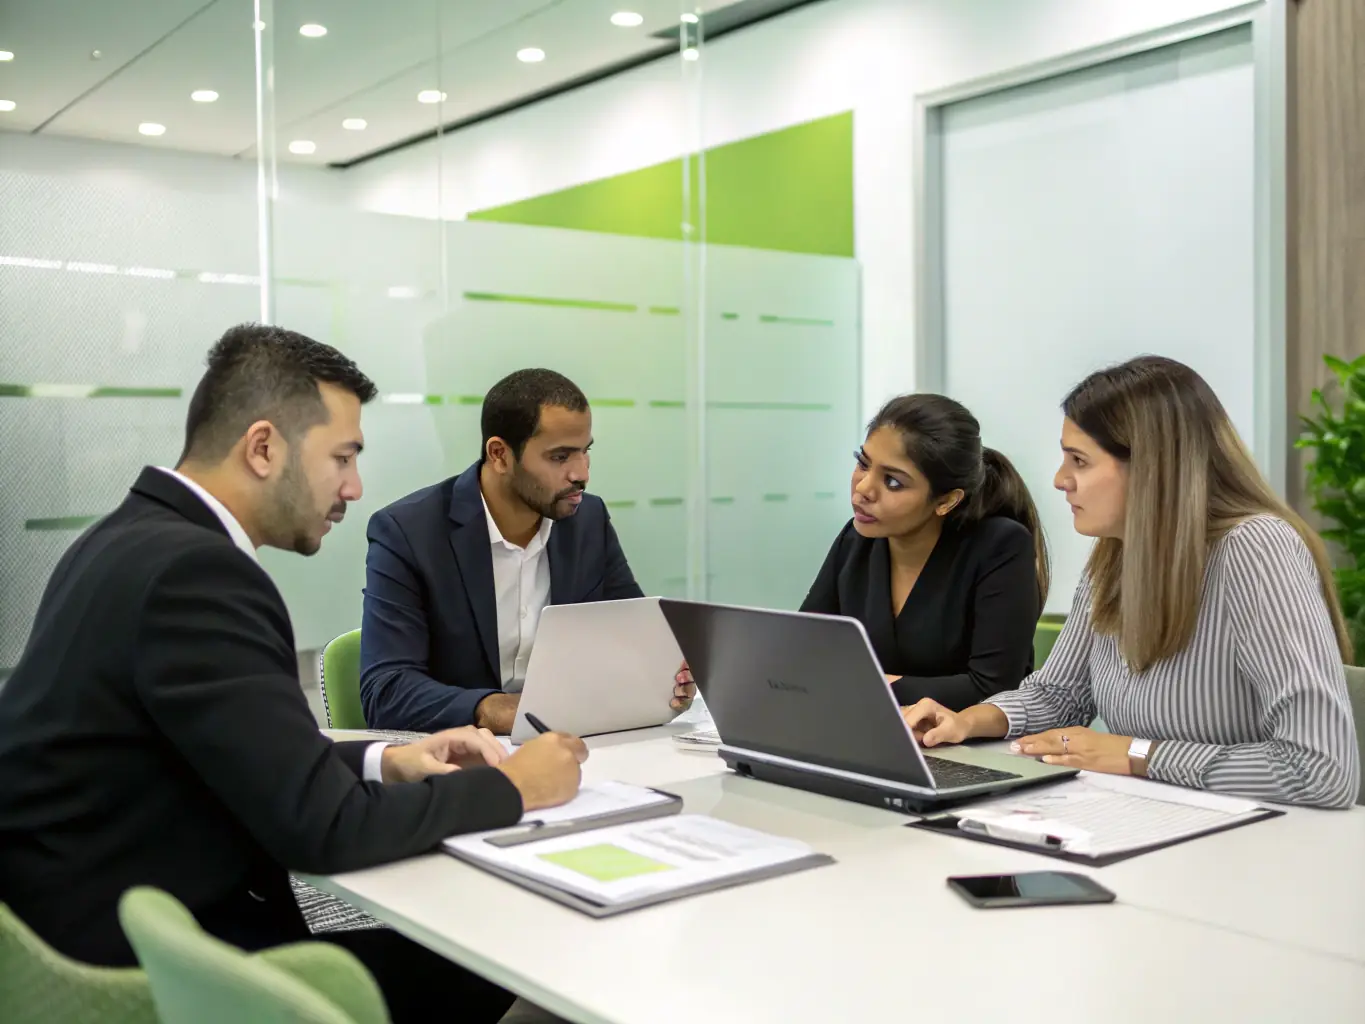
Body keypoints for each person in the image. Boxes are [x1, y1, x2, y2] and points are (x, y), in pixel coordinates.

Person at [0, 324, 589, 1023]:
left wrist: (387, 760)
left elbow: (236, 748)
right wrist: (511, 786)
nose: (354, 485)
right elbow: (324, 831)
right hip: (162, 968)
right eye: (342, 456)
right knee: (500, 959)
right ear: (262, 447)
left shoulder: (123, 539)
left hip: (79, 924)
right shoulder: (200, 575)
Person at [904, 356, 1361, 809]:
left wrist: (1138, 754)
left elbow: (1320, 769)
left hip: (1262, 843)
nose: (1060, 480)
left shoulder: (1256, 548)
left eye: (1079, 461)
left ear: (1152, 467)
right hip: (1151, 815)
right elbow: (1060, 694)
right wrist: (967, 721)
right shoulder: (1115, 552)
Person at [361, 368, 693, 733]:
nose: (581, 474)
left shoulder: (587, 520)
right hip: (461, 760)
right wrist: (493, 710)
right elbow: (386, 691)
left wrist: (668, 677)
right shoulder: (409, 533)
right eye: (560, 457)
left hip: (574, 749)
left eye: (585, 452)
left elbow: (635, 637)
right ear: (500, 455)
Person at [801, 393, 1049, 710]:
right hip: (873, 730)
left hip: (970, 747)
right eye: (863, 464)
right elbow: (805, 650)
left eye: (892, 482)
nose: (863, 489)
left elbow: (995, 686)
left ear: (947, 501)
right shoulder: (858, 538)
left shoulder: (1000, 545)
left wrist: (866, 684)